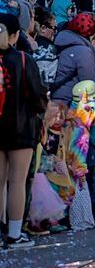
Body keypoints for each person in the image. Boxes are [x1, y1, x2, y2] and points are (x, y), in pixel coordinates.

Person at [0, 12, 46, 249]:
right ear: (16, 35)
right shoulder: (24, 59)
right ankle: (14, 234)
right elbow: (38, 97)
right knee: (16, 181)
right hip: (20, 127)